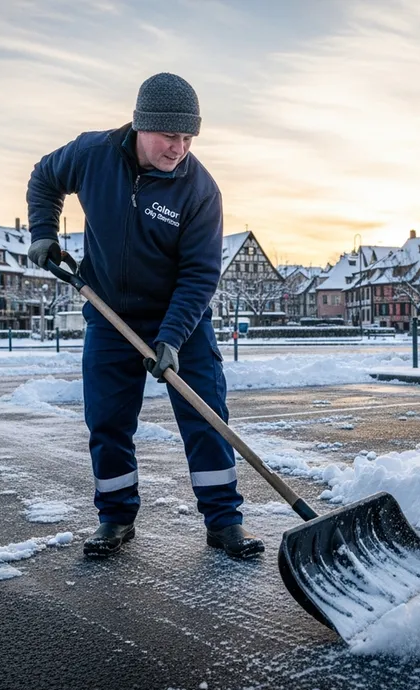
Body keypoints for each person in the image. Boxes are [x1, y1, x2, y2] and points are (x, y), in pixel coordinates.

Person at [26, 72, 263, 560]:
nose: (179, 148)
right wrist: (43, 233)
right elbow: (45, 179)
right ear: (140, 125)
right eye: (169, 136)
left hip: (183, 321)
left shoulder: (200, 191)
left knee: (206, 417)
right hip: (109, 314)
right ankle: (115, 518)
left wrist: (172, 337)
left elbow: (200, 276)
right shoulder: (91, 155)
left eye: (187, 138)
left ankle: (224, 522)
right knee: (109, 421)